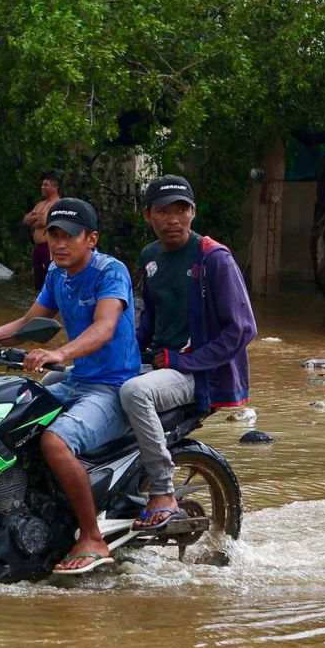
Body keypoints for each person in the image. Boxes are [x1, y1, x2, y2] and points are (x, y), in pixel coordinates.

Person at [0, 198, 140, 575]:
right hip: (76, 381)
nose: (59, 244)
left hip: (111, 387)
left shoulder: (111, 271)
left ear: (91, 239)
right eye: (53, 235)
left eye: (69, 236)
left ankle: (91, 537)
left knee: (55, 440)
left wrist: (61, 353)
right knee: (4, 417)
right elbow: (29, 322)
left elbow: (104, 327)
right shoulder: (58, 274)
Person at [119, 175, 256, 531]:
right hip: (162, 363)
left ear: (193, 213)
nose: (173, 219)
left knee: (135, 392)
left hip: (199, 373)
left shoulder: (214, 258)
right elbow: (148, 318)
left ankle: (163, 490)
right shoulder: (150, 257)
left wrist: (185, 360)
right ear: (148, 215)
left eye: (181, 210)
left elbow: (242, 329)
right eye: (163, 211)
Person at [22, 173, 62, 291]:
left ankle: (54, 305)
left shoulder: (58, 203)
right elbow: (26, 220)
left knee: (50, 276)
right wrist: (38, 218)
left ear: (55, 187)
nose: (42, 187)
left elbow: (44, 221)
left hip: (48, 246)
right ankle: (40, 305)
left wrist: (36, 218)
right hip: (37, 247)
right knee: (38, 280)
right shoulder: (40, 204)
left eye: (46, 185)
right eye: (42, 185)